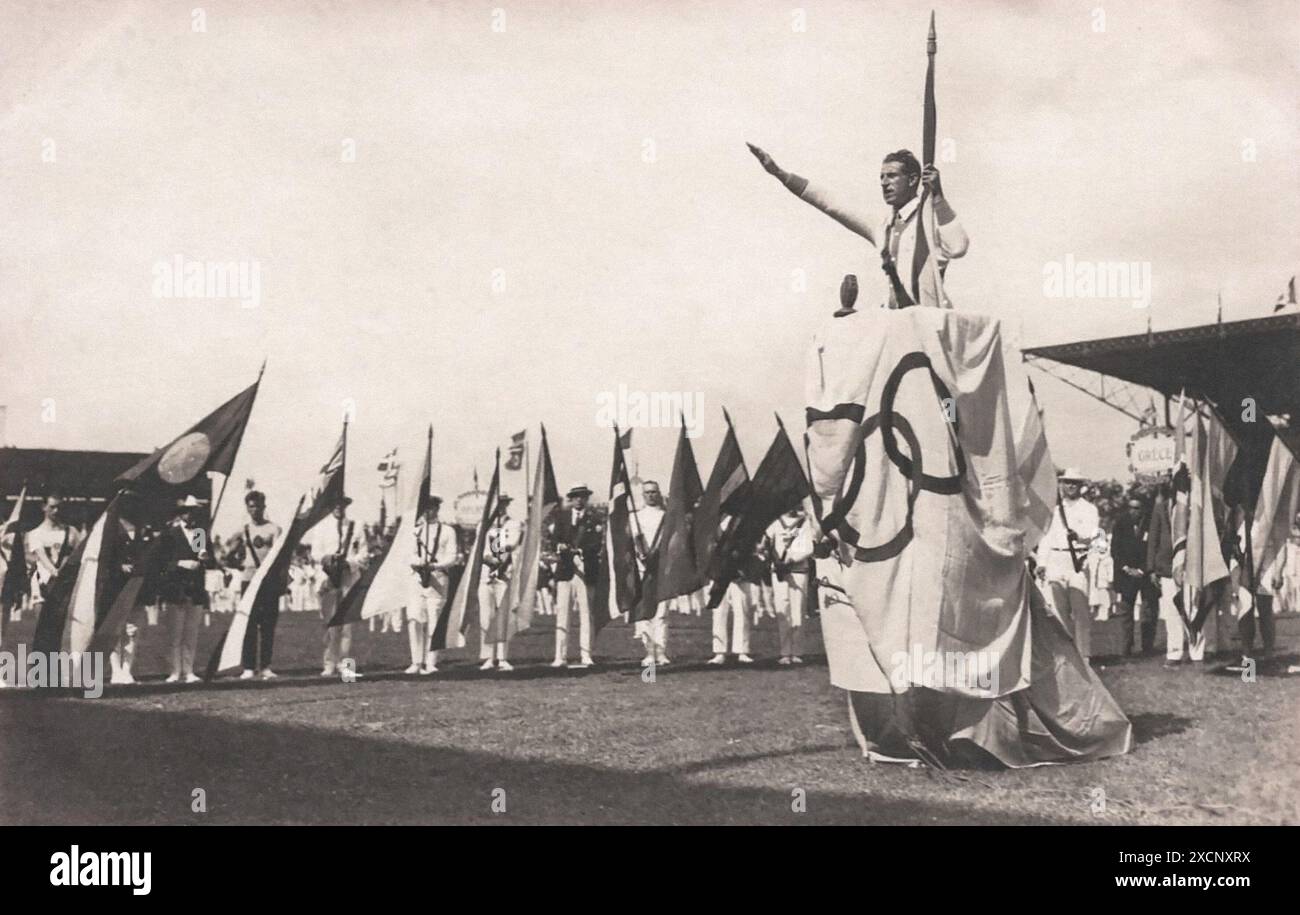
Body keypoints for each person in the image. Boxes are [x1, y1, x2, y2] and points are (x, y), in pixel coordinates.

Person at [747, 144, 968, 309]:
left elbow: (958, 247)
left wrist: (938, 197)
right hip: (895, 326)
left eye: (891, 176)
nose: (884, 182)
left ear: (912, 180)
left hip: (931, 328)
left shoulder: (929, 217)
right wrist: (781, 174)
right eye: (881, 177)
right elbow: (832, 204)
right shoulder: (883, 227)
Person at [1037, 469, 1101, 662]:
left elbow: (1092, 536)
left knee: (1080, 610)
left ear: (1081, 486)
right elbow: (1045, 538)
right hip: (1056, 560)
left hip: (1077, 561)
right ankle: (1065, 655)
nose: (1070, 486)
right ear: (1061, 485)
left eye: (1074, 482)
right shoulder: (1054, 511)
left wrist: (1079, 536)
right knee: (1058, 610)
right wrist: (1041, 563)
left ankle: (1084, 655)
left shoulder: (1089, 509)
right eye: (1067, 482)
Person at [157, 495, 213, 683]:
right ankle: (174, 670)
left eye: (194, 511)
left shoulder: (199, 534)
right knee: (175, 632)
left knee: (190, 632)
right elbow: (162, 563)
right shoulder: (171, 534)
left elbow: (206, 558)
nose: (191, 515)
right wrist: (180, 563)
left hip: (195, 588)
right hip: (176, 588)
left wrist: (204, 557)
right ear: (182, 514)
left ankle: (188, 670)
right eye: (188, 511)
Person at [229, 490, 282, 680]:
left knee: (267, 625)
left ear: (263, 507)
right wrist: (239, 564)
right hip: (248, 581)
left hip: (268, 582)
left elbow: (278, 556)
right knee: (249, 625)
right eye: (251, 507)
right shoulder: (244, 530)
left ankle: (265, 666)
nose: (254, 510)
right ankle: (249, 666)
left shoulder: (274, 529)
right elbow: (227, 555)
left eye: (258, 506)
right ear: (247, 508)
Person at [549, 485, 602, 668]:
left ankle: (586, 654)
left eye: (583, 497)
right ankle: (560, 656)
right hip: (565, 570)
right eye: (576, 496)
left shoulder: (594, 518)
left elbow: (596, 543)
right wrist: (559, 547)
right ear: (571, 499)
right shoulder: (562, 517)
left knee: (586, 615)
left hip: (585, 570)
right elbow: (554, 539)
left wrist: (578, 550)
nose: (579, 500)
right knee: (562, 614)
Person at [407, 495, 459, 674]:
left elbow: (452, 556)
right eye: (426, 508)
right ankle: (416, 661)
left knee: (434, 621)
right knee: (414, 619)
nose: (429, 511)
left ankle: (431, 662)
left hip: (437, 578)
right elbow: (409, 554)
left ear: (437, 509)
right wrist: (419, 562)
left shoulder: (447, 531)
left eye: (432, 508)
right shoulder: (415, 531)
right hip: (418, 579)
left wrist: (436, 565)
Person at [1110, 492, 1159, 656]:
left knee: (1149, 611)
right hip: (1125, 574)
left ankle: (1147, 647)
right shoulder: (1120, 524)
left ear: (1143, 509)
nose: (1133, 512)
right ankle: (1125, 648)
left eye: (1137, 508)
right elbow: (1115, 550)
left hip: (1146, 574)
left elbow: (1155, 548)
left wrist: (1143, 570)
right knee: (1125, 612)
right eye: (1130, 508)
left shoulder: (1151, 523)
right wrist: (1126, 568)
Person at [314, 499, 358, 678]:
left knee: (347, 626)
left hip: (348, 578)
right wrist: (330, 559)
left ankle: (346, 665)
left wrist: (348, 563)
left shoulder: (355, 526)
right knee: (331, 624)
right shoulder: (322, 527)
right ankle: (329, 663)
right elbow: (316, 552)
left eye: (341, 505)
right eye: (336, 504)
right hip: (329, 578)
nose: (339, 508)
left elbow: (362, 554)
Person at [766, 507, 816, 664]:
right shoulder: (775, 522)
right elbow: (766, 543)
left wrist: (793, 558)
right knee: (783, 608)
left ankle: (797, 652)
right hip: (780, 571)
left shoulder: (805, 522)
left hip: (799, 569)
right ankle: (785, 652)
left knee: (798, 610)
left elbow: (810, 547)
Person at [479, 495, 522, 671]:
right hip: (486, 574)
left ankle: (503, 657)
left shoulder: (513, 524)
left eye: (503, 505)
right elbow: (479, 550)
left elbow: (512, 543)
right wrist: (487, 557)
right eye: (497, 505)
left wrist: (495, 553)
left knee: (503, 618)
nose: (500, 508)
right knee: (486, 618)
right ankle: (489, 657)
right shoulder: (483, 526)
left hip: (503, 574)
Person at [633, 480, 670, 666]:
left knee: (661, 612)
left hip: (662, 568)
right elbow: (633, 541)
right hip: (642, 568)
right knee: (645, 612)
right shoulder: (636, 517)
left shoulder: (666, 517)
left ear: (659, 493)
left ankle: (661, 652)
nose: (651, 495)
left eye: (654, 492)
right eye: (647, 492)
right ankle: (649, 652)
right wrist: (641, 555)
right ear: (643, 495)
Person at [25, 494, 81, 610]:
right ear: (44, 507)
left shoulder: (72, 531)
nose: (56, 511)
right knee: (41, 625)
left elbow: (80, 554)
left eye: (59, 507)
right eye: (52, 507)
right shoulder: (35, 533)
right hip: (44, 584)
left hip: (65, 584)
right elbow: (42, 556)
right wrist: (54, 571)